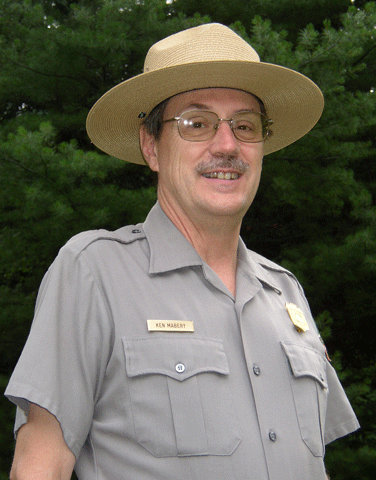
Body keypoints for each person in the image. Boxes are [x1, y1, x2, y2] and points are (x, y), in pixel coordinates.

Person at [5, 23, 359, 480]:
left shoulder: (285, 292)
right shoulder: (94, 271)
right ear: (151, 145)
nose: (227, 145)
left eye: (245, 126)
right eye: (197, 123)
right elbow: (40, 465)